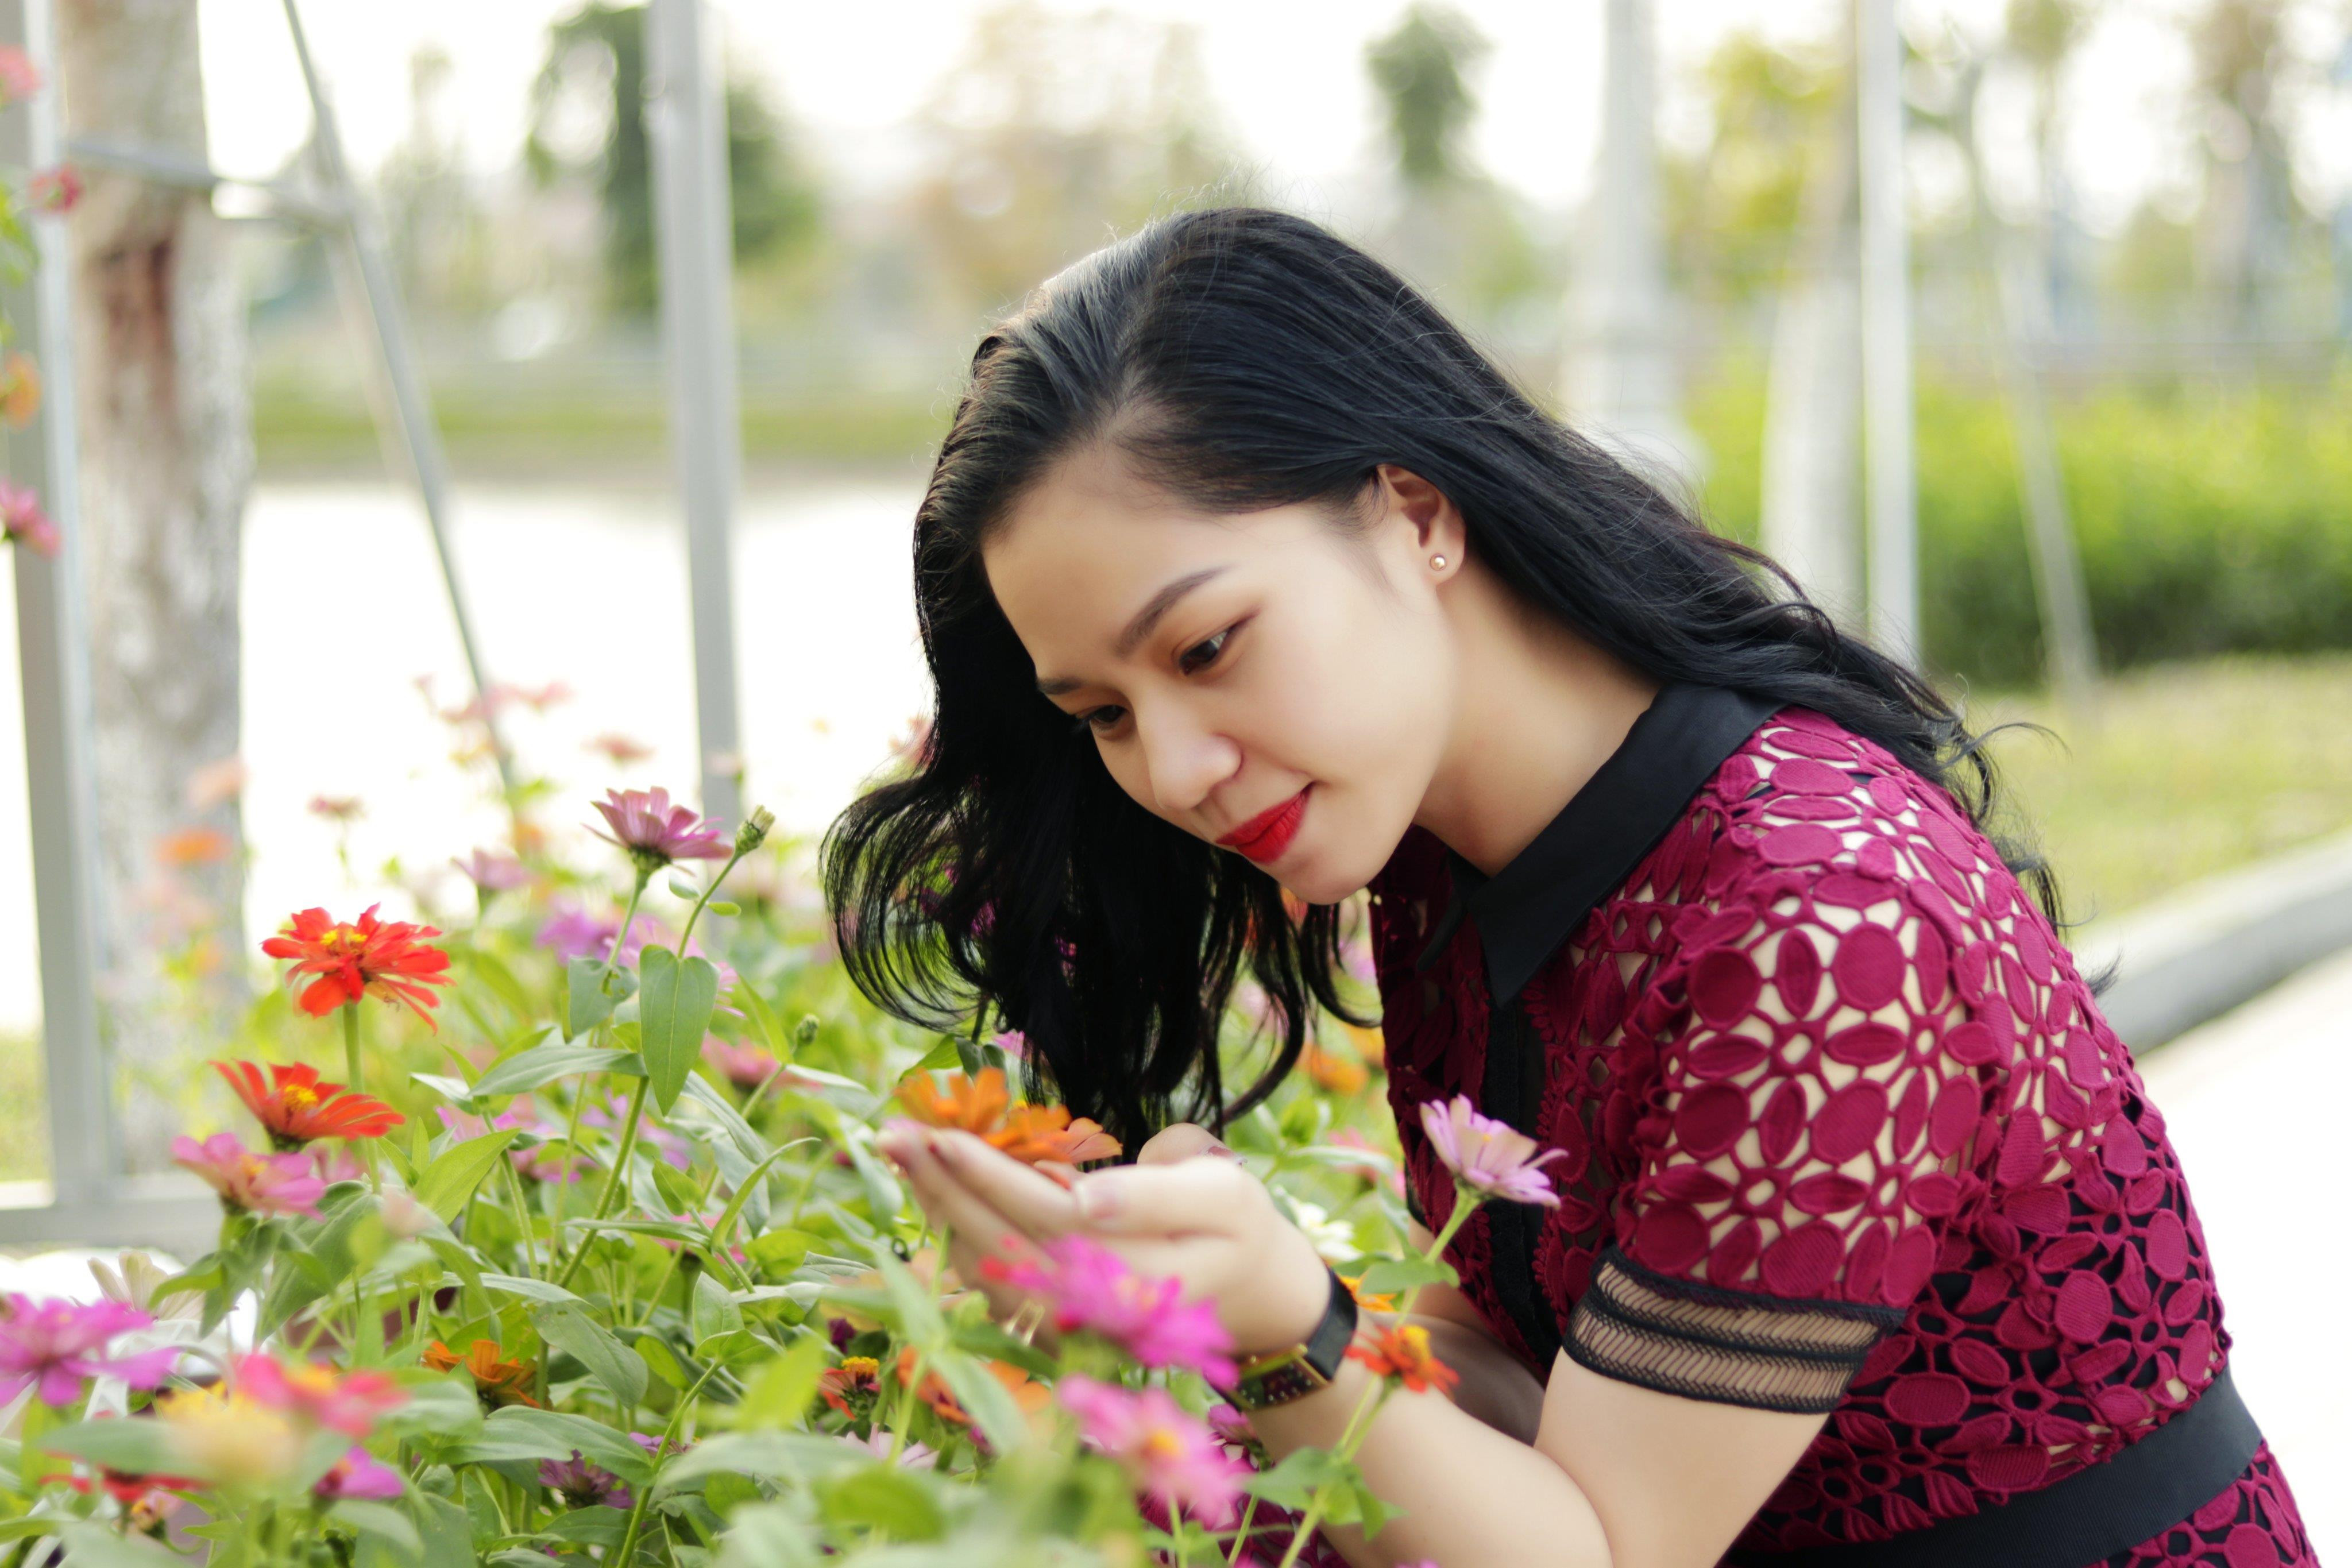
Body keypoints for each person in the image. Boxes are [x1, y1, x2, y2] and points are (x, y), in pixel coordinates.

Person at [822, 207, 2314, 1568]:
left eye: (1207, 647)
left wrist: (1283, 1324)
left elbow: (1596, 1552)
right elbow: (1529, 1344)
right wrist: (1151, 1376)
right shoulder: (1452, 851)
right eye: (1103, 713)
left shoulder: (1818, 927)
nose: (1177, 764)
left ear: (1412, 513)